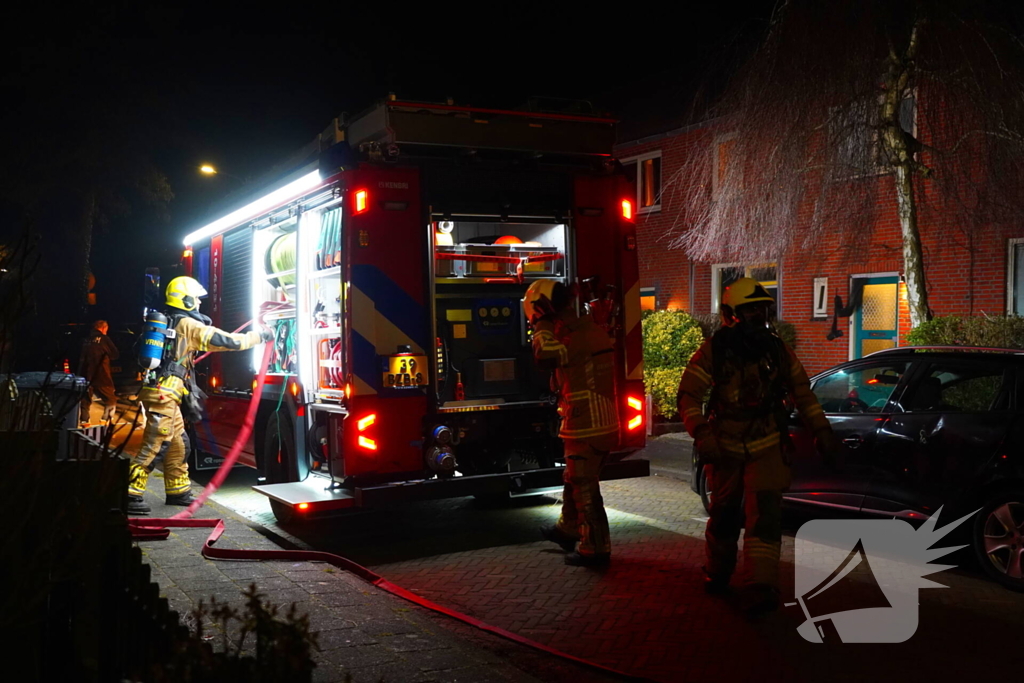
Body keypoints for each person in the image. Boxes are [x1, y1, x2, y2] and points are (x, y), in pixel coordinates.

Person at [677, 277, 837, 614]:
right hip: (725, 447)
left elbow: (802, 393)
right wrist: (702, 434)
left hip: (766, 444)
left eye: (762, 310)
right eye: (750, 310)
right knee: (723, 514)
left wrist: (822, 431)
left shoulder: (777, 350)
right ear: (730, 314)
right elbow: (689, 395)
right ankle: (718, 571)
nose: (758, 317)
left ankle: (760, 584)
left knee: (765, 516)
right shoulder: (714, 350)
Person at [127, 276, 272, 515]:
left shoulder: (172, 321)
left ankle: (178, 491)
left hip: (165, 394)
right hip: (163, 395)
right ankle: (130, 492)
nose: (199, 303)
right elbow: (225, 341)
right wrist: (259, 337)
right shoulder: (187, 325)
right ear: (185, 300)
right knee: (156, 444)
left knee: (178, 443)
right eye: (195, 298)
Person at [525, 278, 619, 567]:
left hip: (586, 423)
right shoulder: (588, 329)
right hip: (600, 420)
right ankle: (567, 528)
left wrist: (542, 323)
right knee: (574, 478)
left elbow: (543, 353)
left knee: (584, 485)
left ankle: (595, 549)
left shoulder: (574, 339)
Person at [78, 320, 120, 425]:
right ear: (104, 328)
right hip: (101, 374)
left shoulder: (85, 340)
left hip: (85, 375)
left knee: (85, 399)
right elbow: (115, 354)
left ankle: (84, 420)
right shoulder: (104, 339)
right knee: (110, 399)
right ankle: (105, 420)